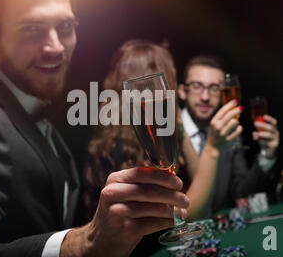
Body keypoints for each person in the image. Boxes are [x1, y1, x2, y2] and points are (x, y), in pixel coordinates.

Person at [0, 0, 190, 257]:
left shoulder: (39, 117)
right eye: (32, 29)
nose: (56, 47)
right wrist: (83, 245)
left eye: (65, 27)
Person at [83, 40, 244, 228]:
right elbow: (185, 216)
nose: (174, 87)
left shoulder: (167, 130)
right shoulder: (120, 148)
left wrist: (176, 121)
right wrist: (212, 150)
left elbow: (200, 184)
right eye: (171, 76)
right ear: (152, 83)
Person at [178, 55, 280, 214]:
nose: (205, 97)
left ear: (223, 93)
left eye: (214, 88)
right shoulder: (167, 136)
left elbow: (240, 192)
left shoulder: (230, 134)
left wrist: (267, 155)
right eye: (197, 86)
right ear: (183, 91)